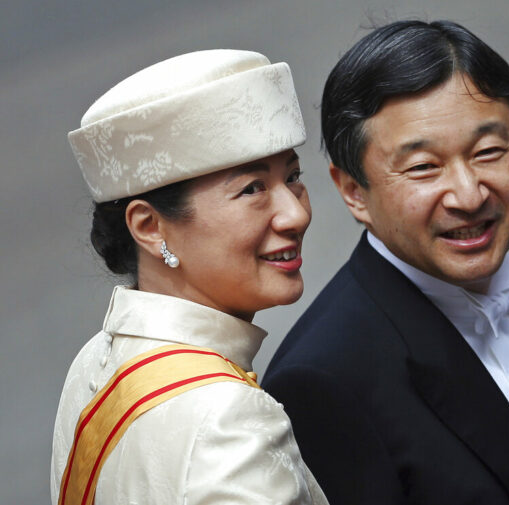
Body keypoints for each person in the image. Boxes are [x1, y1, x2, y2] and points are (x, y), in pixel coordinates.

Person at [263, 20, 509, 505]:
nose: (469, 195)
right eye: (424, 167)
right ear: (352, 191)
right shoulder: (324, 380)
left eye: (489, 152)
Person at [50, 49, 327, 505]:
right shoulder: (230, 420)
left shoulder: (95, 362)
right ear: (149, 226)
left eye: (293, 176)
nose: (295, 213)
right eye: (252, 188)